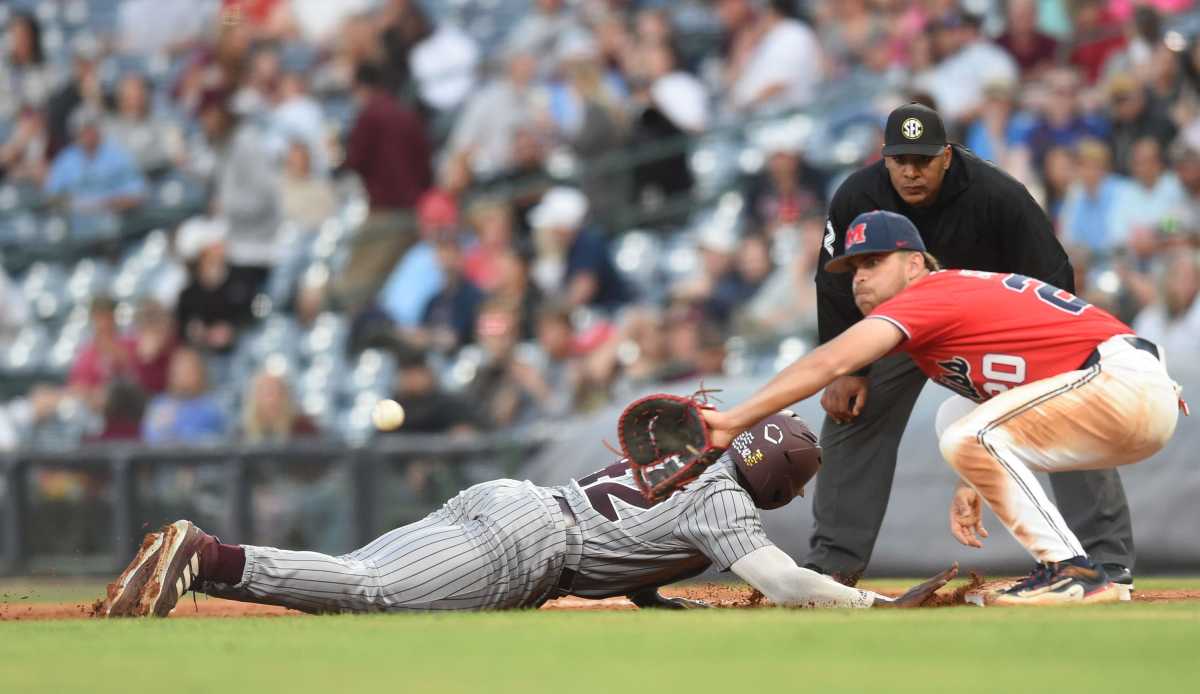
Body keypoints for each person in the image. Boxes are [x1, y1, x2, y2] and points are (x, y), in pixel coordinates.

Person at [704, 211, 1183, 605]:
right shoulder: (946, 309)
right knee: (953, 417)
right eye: (854, 268)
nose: (860, 277)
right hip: (1120, 392)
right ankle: (1092, 578)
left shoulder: (929, 295)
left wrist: (733, 420)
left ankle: (1072, 571)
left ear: (915, 264)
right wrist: (972, 479)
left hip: (1119, 382)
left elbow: (829, 362)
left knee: (964, 433)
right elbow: (1015, 389)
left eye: (873, 261)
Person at [100, 410, 956, 616]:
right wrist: (872, 603)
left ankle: (193, 561)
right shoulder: (725, 500)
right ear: (777, 480)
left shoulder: (687, 459)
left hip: (515, 505)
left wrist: (652, 596)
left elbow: (638, 534)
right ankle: (204, 555)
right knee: (366, 589)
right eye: (795, 484)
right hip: (531, 545)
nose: (795, 497)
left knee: (361, 578)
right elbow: (783, 580)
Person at [802, 102, 1135, 590]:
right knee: (852, 411)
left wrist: (1060, 360)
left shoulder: (997, 194)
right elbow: (833, 283)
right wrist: (846, 369)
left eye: (923, 160)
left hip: (992, 331)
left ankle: (1106, 559)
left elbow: (1052, 277)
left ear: (946, 155)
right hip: (902, 324)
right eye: (900, 160)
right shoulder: (858, 194)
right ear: (885, 158)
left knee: (1066, 413)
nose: (911, 172)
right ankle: (832, 566)